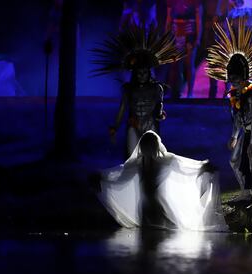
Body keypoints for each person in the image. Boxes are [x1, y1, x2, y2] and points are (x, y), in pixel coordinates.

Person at [206, 18, 252, 208]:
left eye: (237, 80)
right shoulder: (234, 94)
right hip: (245, 133)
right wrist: (234, 137)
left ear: (244, 76)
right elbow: (237, 118)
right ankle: (244, 192)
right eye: (231, 80)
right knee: (234, 160)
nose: (234, 83)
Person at [98, 131, 228, 232]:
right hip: (146, 208)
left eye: (149, 146)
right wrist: (103, 179)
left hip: (156, 205)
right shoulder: (138, 164)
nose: (148, 149)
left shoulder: (163, 161)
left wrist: (202, 167)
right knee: (155, 234)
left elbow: (185, 167)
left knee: (160, 233)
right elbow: (120, 177)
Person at [91, 23, 183, 157]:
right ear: (134, 73)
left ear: (149, 73)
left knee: (152, 158)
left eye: (145, 72)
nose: (142, 75)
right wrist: (115, 127)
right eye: (139, 73)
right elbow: (122, 110)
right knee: (131, 158)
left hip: (150, 124)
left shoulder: (156, 88)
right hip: (133, 125)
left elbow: (159, 108)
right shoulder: (128, 89)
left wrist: (160, 115)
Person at [166, 0, 203, 98]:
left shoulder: (195, 2)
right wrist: (166, 37)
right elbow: (169, 19)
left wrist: (198, 38)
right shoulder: (172, 2)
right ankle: (174, 91)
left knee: (189, 65)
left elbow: (199, 20)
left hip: (189, 36)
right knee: (174, 66)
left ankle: (189, 93)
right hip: (176, 36)